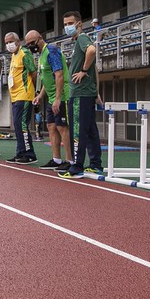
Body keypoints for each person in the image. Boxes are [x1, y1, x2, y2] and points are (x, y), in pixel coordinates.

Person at [59, 11, 103, 178]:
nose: (67, 27)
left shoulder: (82, 38)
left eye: (70, 23)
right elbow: (95, 69)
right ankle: (95, 164)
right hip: (87, 92)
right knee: (90, 129)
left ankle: (77, 167)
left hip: (80, 93)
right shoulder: (79, 41)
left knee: (77, 130)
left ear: (79, 24)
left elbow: (92, 51)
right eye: (65, 24)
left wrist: (83, 71)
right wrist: (96, 91)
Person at [26, 30, 73, 171]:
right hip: (51, 97)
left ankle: (70, 160)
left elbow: (59, 75)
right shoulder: (41, 56)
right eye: (28, 44)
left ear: (40, 38)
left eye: (32, 43)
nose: (31, 46)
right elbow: (47, 79)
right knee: (51, 126)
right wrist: (40, 96)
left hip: (62, 96)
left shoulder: (51, 52)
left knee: (62, 127)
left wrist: (58, 99)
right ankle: (56, 159)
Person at [3, 32, 37, 164]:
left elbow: (33, 73)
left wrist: (35, 91)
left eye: (10, 42)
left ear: (17, 42)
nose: (8, 45)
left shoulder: (24, 53)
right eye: (6, 43)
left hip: (24, 94)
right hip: (15, 96)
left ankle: (29, 154)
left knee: (22, 124)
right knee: (17, 125)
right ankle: (20, 152)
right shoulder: (13, 55)